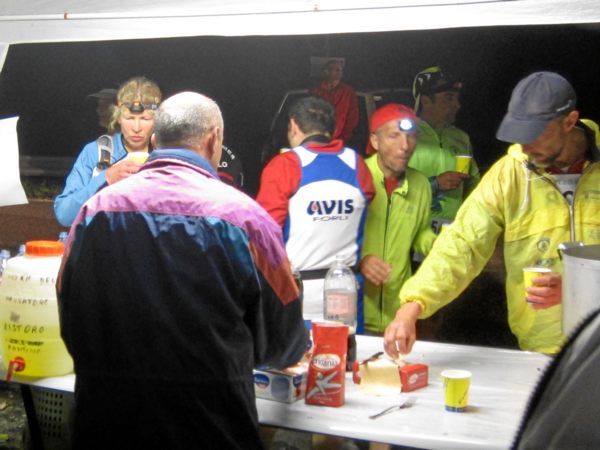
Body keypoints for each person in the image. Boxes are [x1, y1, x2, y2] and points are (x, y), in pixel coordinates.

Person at [57, 91, 308, 450]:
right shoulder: (247, 219)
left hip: (104, 427)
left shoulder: (94, 211)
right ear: (214, 138)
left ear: (155, 140)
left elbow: (70, 317)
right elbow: (284, 344)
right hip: (212, 430)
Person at [384, 71, 600, 358]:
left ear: (569, 121)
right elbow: (463, 242)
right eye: (519, 135)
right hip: (539, 351)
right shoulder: (510, 174)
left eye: (535, 134)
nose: (525, 146)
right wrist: (413, 305)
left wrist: (579, 290)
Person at [256, 95, 374, 326]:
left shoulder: (285, 166)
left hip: (296, 291)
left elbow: (264, 235)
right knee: (345, 346)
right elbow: (367, 200)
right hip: (345, 288)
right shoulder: (357, 164)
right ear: (334, 129)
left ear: (293, 126)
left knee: (297, 349)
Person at [360, 103, 436, 335]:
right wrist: (360, 260)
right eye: (394, 136)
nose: (405, 146)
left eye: (411, 136)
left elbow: (420, 231)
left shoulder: (421, 184)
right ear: (375, 141)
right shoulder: (356, 176)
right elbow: (331, 237)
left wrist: (436, 243)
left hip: (398, 313)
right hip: (356, 309)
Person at [54, 76, 162, 226]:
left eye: (144, 119)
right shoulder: (96, 152)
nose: (136, 128)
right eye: (129, 118)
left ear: (156, 120)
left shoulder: (166, 156)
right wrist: (106, 178)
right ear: (118, 118)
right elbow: (64, 215)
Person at [409, 66, 480, 228]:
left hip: (452, 230)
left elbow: (474, 185)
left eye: (457, 98)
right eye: (449, 98)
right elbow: (387, 186)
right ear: (426, 100)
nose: (457, 105)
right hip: (412, 228)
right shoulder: (403, 135)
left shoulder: (461, 137)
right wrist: (434, 184)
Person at [311, 59, 359, 144]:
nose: (339, 72)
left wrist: (345, 136)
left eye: (340, 70)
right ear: (327, 71)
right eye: (336, 70)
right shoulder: (316, 91)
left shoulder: (348, 91)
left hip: (341, 138)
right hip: (319, 136)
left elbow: (353, 116)